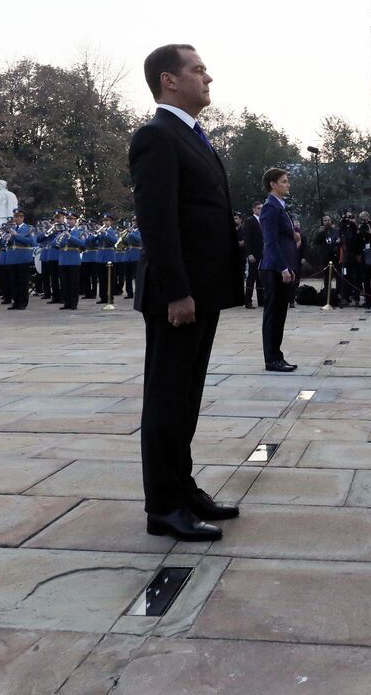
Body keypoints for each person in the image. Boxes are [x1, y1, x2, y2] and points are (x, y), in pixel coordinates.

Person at [130, 42, 243, 541]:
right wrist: (177, 291)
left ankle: (183, 487)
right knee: (167, 398)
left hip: (203, 289)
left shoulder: (191, 134)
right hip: (180, 295)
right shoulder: (157, 136)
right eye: (198, 70)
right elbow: (158, 221)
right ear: (169, 81)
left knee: (188, 397)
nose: (208, 78)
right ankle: (163, 506)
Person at [259, 168, 299, 372]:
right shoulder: (270, 208)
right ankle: (271, 358)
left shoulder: (281, 207)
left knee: (280, 314)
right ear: (273, 184)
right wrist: (283, 267)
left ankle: (277, 355)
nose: (288, 184)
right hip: (273, 268)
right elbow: (271, 242)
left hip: (283, 266)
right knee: (273, 314)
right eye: (284, 181)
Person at [7, 209, 36, 309]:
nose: (16, 219)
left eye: (18, 217)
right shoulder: (11, 228)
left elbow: (31, 242)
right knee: (13, 282)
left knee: (23, 282)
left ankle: (23, 303)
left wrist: (16, 235)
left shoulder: (29, 228)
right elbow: (5, 243)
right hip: (12, 258)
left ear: (22, 218)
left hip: (23, 258)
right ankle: (15, 302)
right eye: (15, 217)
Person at [59, 213, 84, 310]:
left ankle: (74, 303)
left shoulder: (79, 232)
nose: (69, 221)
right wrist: (60, 237)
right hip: (63, 260)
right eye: (68, 219)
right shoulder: (62, 231)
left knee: (74, 283)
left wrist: (69, 236)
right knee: (64, 283)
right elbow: (54, 244)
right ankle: (66, 303)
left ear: (76, 220)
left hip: (73, 260)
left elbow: (82, 243)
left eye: (72, 219)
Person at [242, 201, 264, 308]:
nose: (261, 210)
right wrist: (249, 253)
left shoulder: (264, 221)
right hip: (253, 254)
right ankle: (248, 301)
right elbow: (247, 239)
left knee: (261, 278)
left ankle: (261, 300)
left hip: (262, 254)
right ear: (254, 209)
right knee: (251, 277)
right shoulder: (249, 221)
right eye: (259, 208)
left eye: (261, 208)